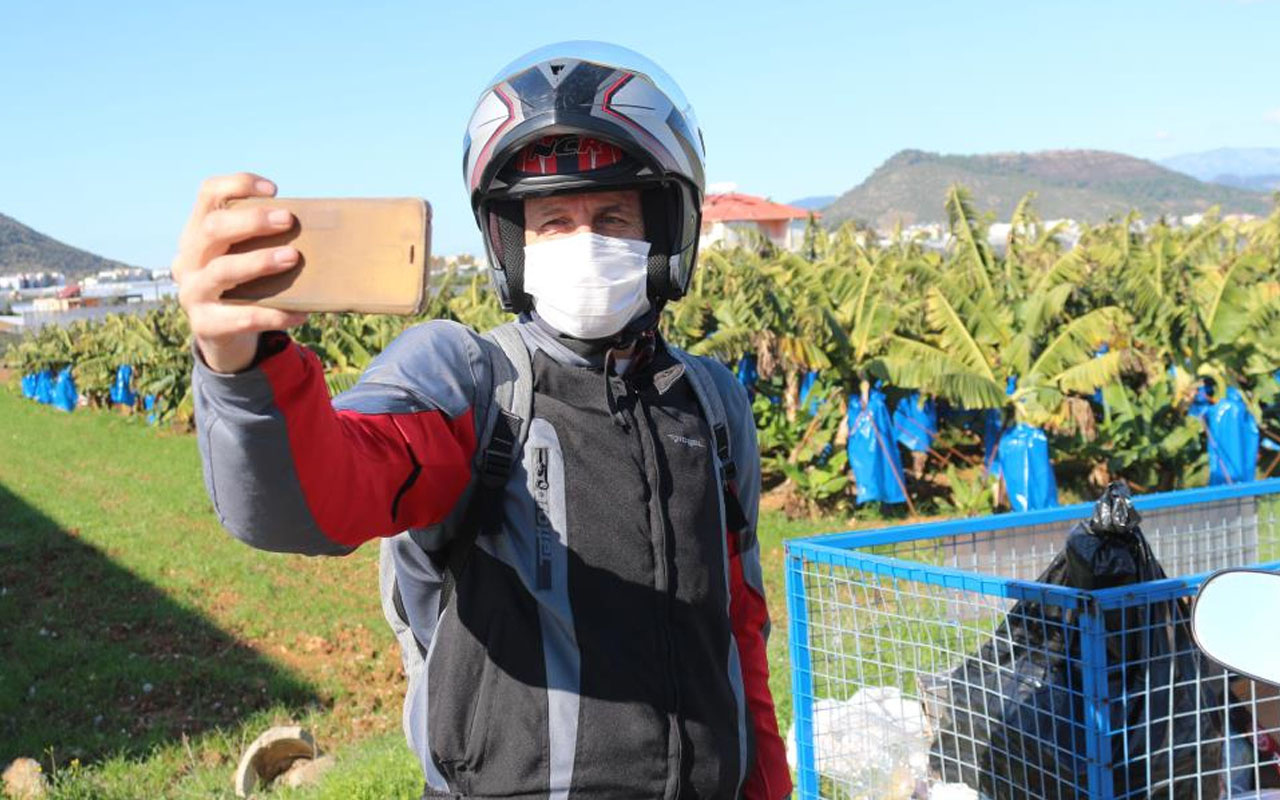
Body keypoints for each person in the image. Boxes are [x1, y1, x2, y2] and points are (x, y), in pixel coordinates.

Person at [173, 41, 791, 799]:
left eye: (612, 215)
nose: (584, 242)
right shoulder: (470, 382)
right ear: (513, 245)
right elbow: (313, 498)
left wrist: (766, 784)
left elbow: (739, 628)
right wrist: (243, 366)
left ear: (666, 233)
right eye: (554, 221)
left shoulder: (711, 403)